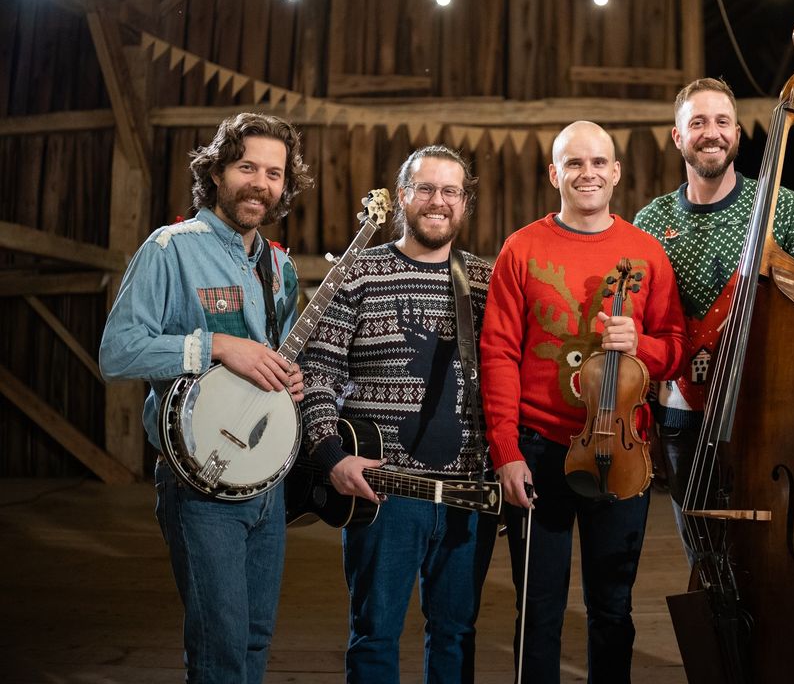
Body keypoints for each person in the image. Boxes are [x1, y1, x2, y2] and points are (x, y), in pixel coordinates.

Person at [99, 113, 311, 683]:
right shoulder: (169, 249)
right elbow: (118, 352)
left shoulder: (279, 266)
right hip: (199, 481)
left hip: (269, 480)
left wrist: (293, 380)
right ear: (216, 171)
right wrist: (216, 346)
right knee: (219, 650)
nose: (261, 184)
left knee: (252, 642)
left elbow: (282, 363)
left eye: (274, 173)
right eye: (247, 167)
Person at [480, 121, 686, 683]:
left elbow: (672, 349)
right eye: (574, 163)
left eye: (599, 162)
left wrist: (637, 344)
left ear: (616, 173)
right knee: (539, 610)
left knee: (612, 609)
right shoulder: (521, 248)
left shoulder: (646, 253)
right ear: (554, 173)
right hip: (539, 448)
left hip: (621, 450)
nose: (587, 173)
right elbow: (497, 354)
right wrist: (506, 451)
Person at [632, 77, 794, 564]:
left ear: (737, 134)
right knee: (706, 563)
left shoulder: (780, 205)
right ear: (678, 137)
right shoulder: (649, 222)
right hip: (683, 415)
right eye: (697, 123)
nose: (710, 133)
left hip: (764, 411)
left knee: (770, 557)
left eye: (721, 122)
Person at [299, 145, 496, 684]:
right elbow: (317, 373)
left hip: (465, 495)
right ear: (403, 196)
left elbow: (508, 377)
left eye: (450, 191)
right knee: (374, 635)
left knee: (456, 635)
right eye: (425, 188)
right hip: (382, 493)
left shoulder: (484, 281)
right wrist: (332, 456)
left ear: (464, 202)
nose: (437, 201)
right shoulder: (359, 273)